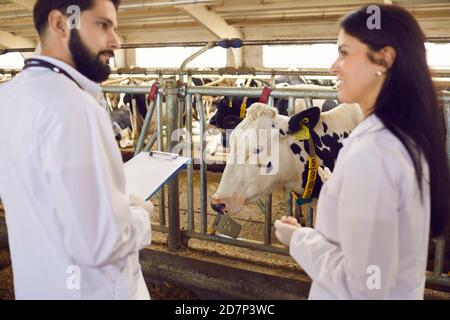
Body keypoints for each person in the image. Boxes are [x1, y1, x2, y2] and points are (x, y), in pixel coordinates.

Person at [274, 4, 450, 299]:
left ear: (383, 58)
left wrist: (298, 239)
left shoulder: (374, 151)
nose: (333, 66)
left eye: (344, 52)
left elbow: (365, 285)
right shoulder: (403, 136)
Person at [0, 0, 154, 299]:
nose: (116, 41)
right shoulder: (74, 107)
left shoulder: (8, 97)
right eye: (102, 24)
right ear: (61, 23)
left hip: (39, 285)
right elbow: (101, 244)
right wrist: (139, 215)